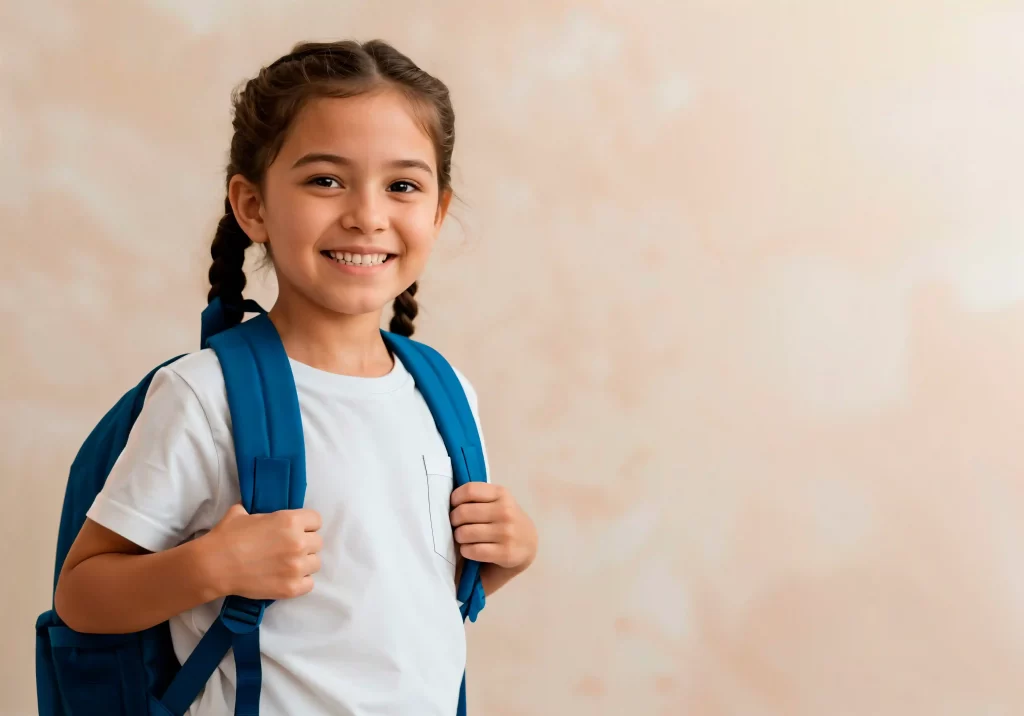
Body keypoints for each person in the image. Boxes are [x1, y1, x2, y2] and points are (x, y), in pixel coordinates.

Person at [53, 39, 538, 716]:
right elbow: (81, 596)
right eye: (325, 180)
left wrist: (499, 560)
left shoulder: (446, 392)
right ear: (253, 207)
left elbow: (387, 600)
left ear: (436, 209)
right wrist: (209, 567)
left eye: (401, 185)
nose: (367, 214)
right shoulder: (206, 396)